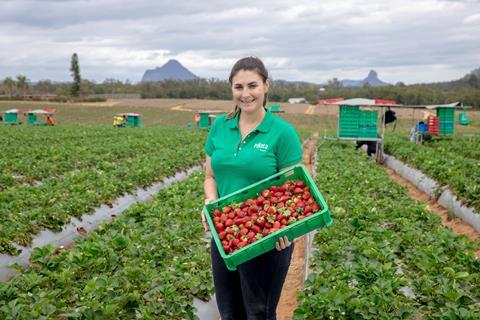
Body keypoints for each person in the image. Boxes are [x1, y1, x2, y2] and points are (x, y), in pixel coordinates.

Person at [202, 56, 303, 319]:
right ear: (231, 89)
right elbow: (210, 177)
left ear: (266, 86)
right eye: (239, 87)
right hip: (226, 233)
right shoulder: (220, 127)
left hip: (267, 238)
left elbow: (293, 192)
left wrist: (285, 227)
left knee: (258, 313)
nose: (246, 94)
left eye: (252, 85)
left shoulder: (282, 132)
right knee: (229, 312)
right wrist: (211, 203)